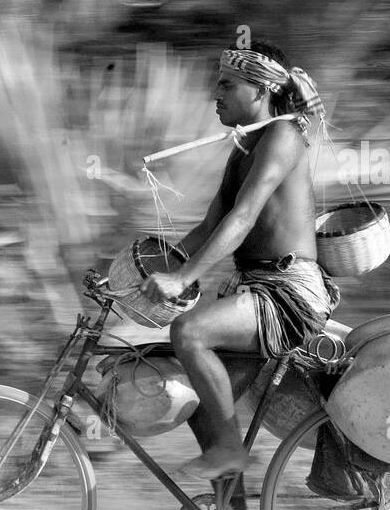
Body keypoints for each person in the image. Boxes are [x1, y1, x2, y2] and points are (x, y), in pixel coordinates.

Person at [141, 41, 340, 486]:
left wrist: (183, 278)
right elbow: (212, 225)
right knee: (202, 402)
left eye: (227, 85)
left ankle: (232, 451)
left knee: (189, 332)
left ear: (262, 89)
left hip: (290, 293)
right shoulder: (243, 147)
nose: (216, 94)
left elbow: (243, 217)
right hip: (257, 288)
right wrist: (159, 266)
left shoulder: (283, 136)